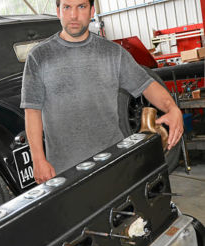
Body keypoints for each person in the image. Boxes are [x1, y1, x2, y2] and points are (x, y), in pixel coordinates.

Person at [20, 0, 183, 184]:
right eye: (67, 7)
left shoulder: (113, 53)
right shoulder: (39, 57)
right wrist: (38, 160)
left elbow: (147, 85)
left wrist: (172, 108)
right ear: (58, 11)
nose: (73, 15)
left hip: (113, 164)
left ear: (92, 11)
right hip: (63, 172)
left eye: (81, 7)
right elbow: (32, 111)